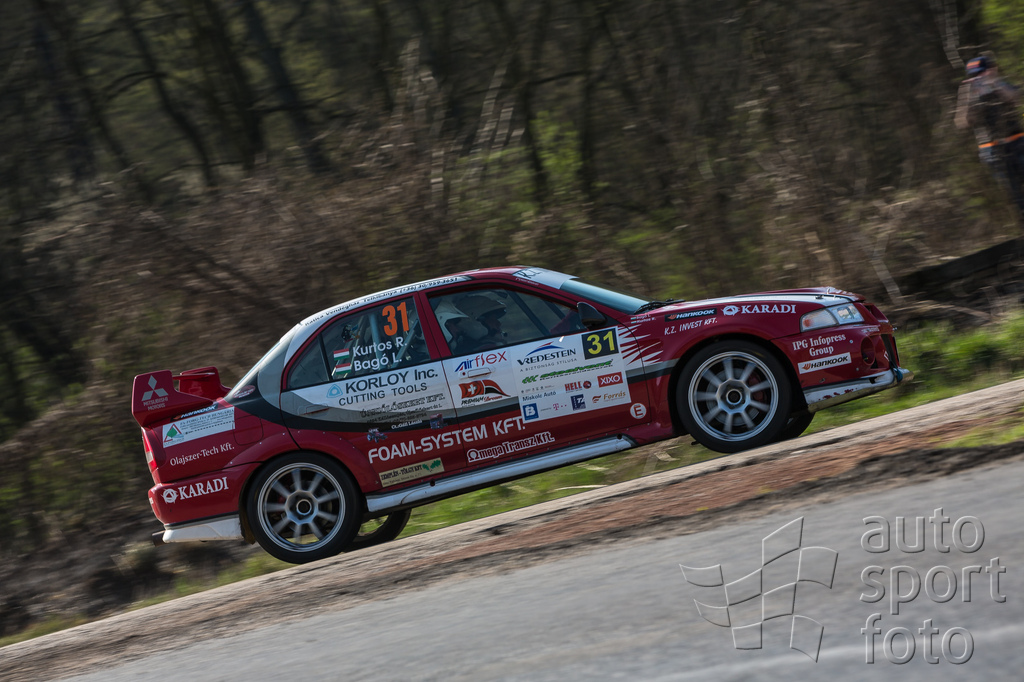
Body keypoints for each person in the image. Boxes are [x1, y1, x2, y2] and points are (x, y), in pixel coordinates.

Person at [955, 53, 1024, 220]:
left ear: (993, 69)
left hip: (1017, 142)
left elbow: (1016, 97)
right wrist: (969, 96)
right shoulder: (971, 93)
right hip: (992, 149)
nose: (979, 77)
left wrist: (995, 83)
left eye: (982, 72)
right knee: (1016, 194)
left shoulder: (1001, 84)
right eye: (974, 75)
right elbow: (962, 122)